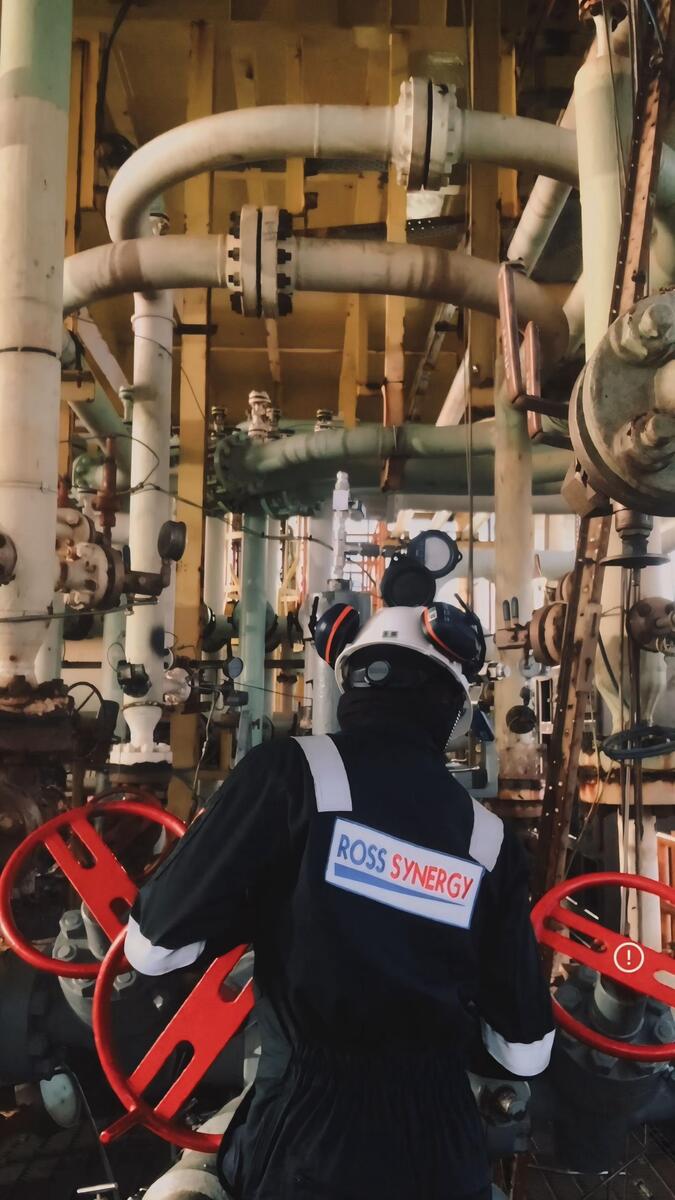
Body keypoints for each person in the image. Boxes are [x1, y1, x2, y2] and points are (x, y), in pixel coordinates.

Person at [125, 602, 554, 1200]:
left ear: (350, 681)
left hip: (308, 1147)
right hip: (446, 1151)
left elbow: (151, 948)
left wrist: (257, 909)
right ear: (454, 708)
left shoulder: (290, 772)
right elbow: (525, 1052)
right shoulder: (490, 840)